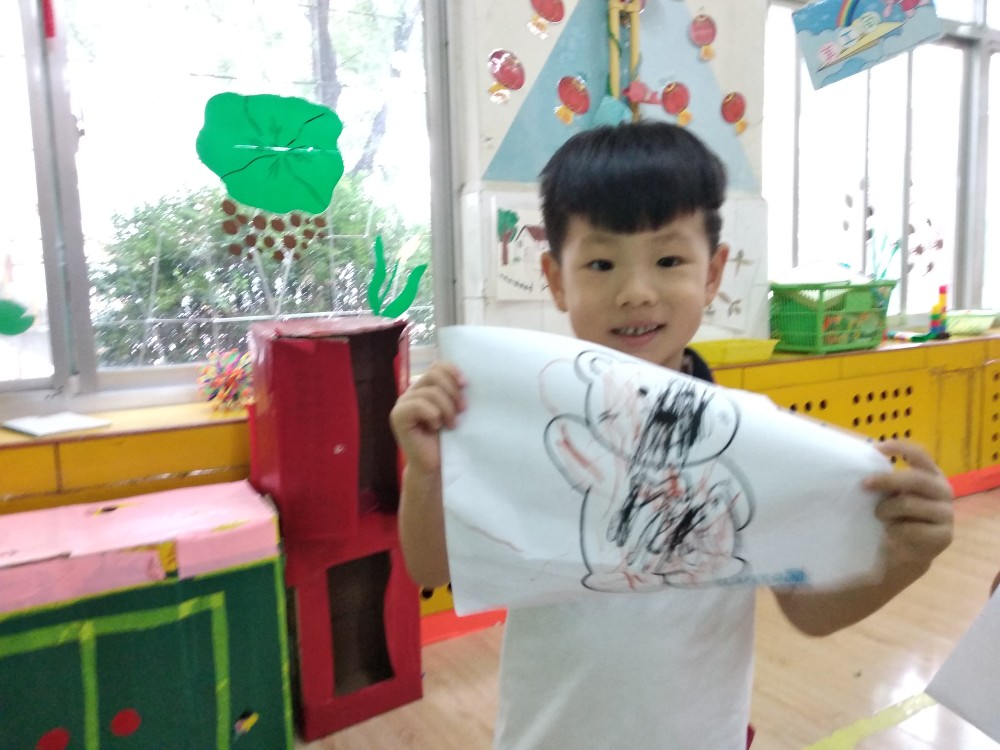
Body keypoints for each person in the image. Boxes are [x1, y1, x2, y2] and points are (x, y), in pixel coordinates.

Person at [389, 121, 955, 749]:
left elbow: (810, 614)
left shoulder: (752, 438)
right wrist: (428, 471)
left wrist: (906, 558)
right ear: (555, 278)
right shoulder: (523, 422)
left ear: (712, 273)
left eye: (668, 260)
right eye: (601, 263)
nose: (636, 292)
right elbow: (431, 566)